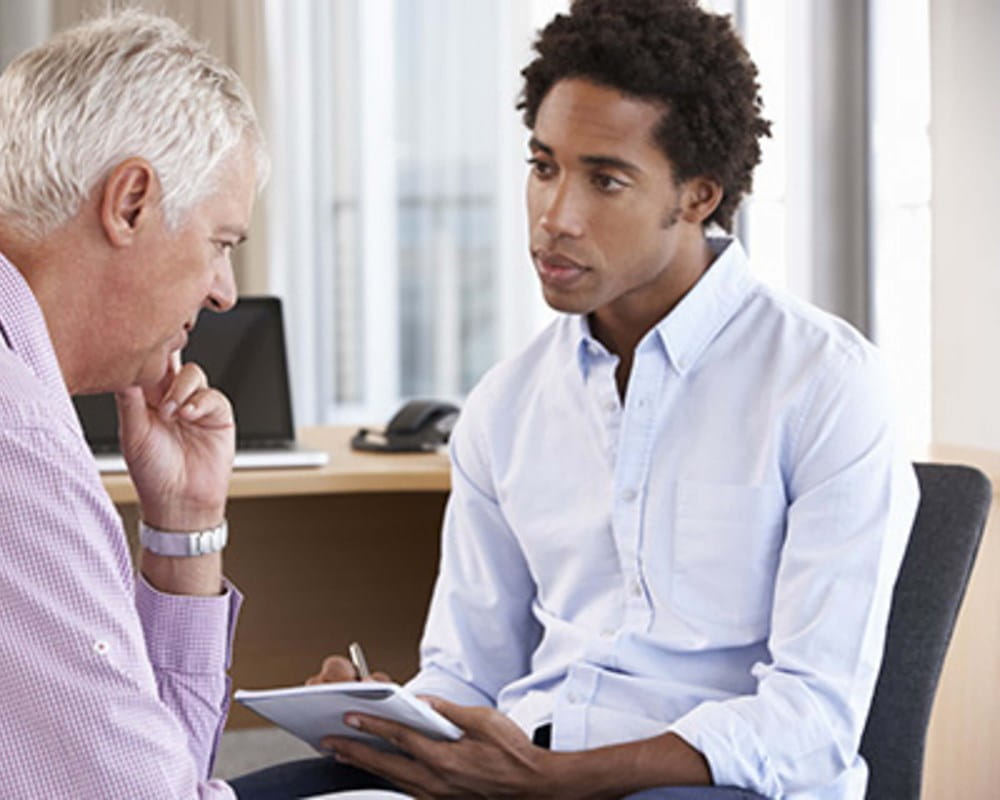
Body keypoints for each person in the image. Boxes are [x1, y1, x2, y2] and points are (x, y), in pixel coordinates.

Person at [231, 1, 918, 798]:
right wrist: (390, 719)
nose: (555, 218)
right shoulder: (507, 403)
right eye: (544, 166)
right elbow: (470, 671)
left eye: (605, 179)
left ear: (698, 196)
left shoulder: (825, 383)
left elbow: (813, 717)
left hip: (717, 785)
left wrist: (557, 781)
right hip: (531, 767)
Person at [0, 10, 267, 798]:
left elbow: (151, 768)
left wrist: (184, 530)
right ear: (130, 202)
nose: (224, 293)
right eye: (221, 243)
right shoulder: (18, 440)